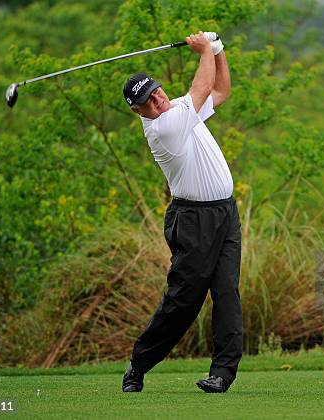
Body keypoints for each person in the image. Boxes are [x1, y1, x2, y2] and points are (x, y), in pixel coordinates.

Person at [121, 31, 242, 394]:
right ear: (138, 111)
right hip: (193, 222)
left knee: (226, 292)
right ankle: (138, 364)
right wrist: (205, 49)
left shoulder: (177, 108)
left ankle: (222, 373)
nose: (157, 100)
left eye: (155, 91)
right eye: (148, 100)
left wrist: (219, 52)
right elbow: (201, 88)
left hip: (225, 214)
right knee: (184, 301)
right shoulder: (163, 128)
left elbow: (219, 91)